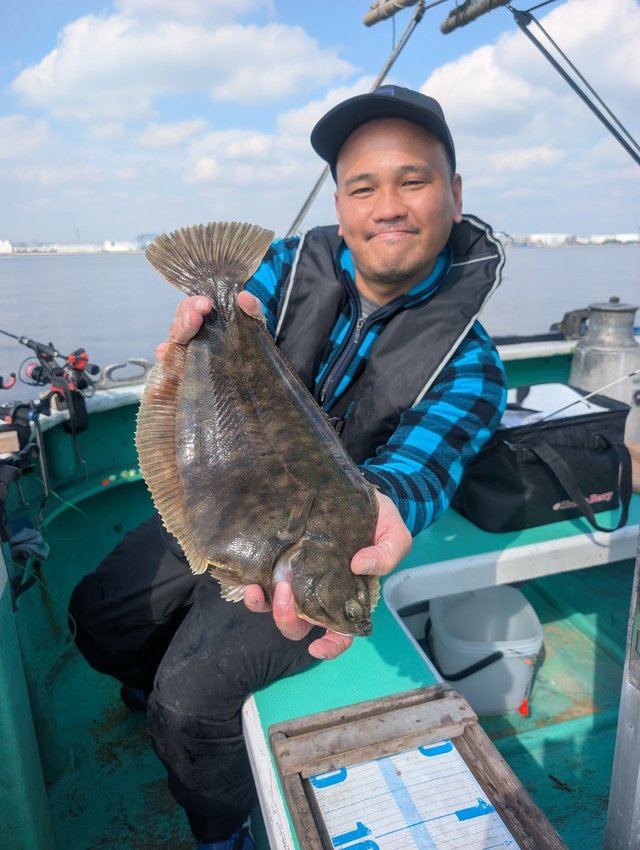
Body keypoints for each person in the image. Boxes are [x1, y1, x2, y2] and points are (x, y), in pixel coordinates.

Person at [69, 85, 508, 850]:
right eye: (363, 187)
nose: (388, 206)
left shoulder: (471, 366)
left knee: (189, 699)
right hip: (225, 497)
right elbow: (222, 332)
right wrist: (197, 332)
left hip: (320, 550)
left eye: (413, 180)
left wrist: (379, 513)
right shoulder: (280, 268)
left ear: (455, 192)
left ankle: (222, 829)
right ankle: (147, 689)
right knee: (101, 617)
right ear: (339, 204)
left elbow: (414, 475)